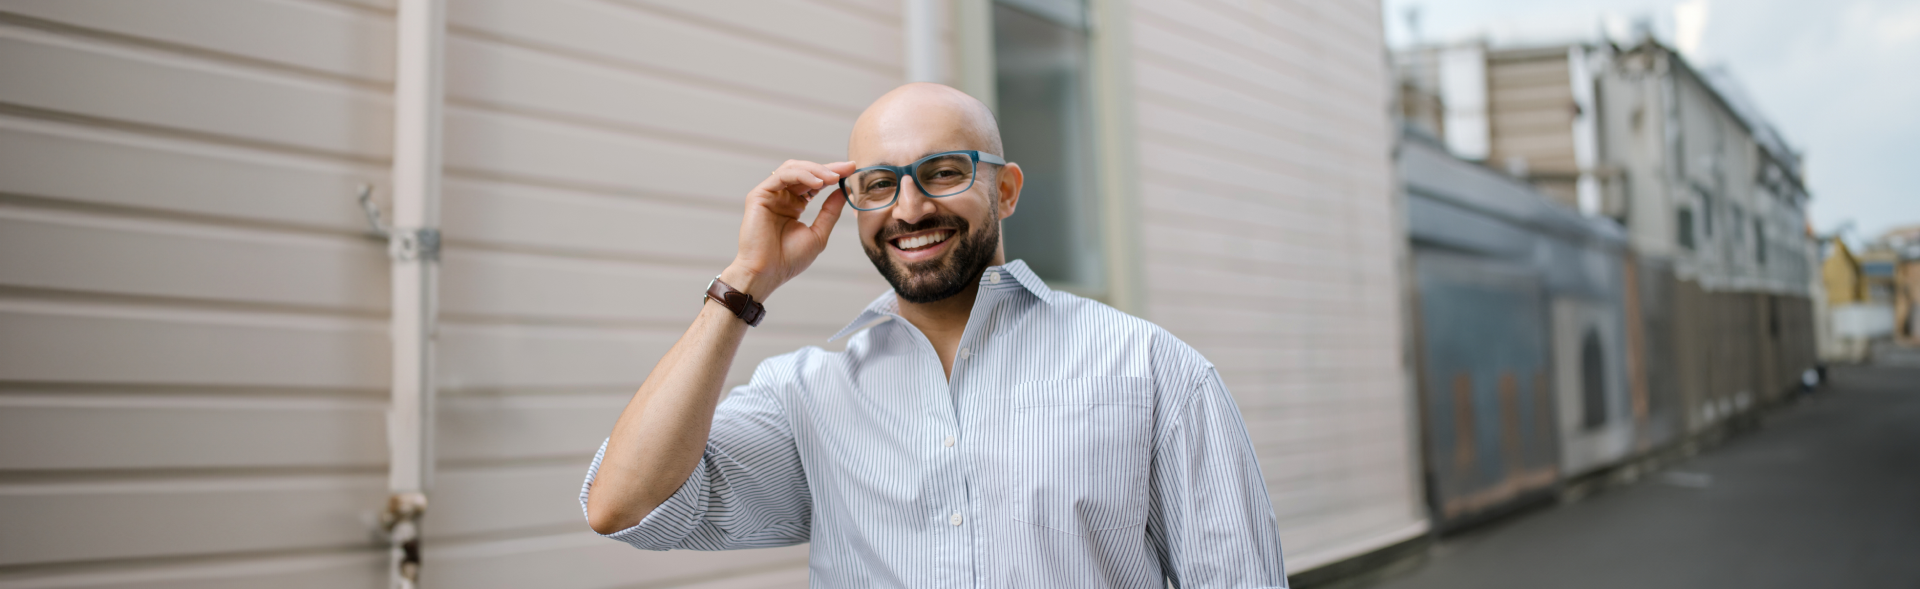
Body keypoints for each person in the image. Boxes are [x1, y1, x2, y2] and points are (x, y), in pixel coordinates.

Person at [582, 83, 1286, 587]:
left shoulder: (1150, 368)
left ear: (1005, 190)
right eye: (879, 184)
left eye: (943, 172)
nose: (910, 208)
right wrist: (746, 280)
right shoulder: (807, 394)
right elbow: (625, 507)